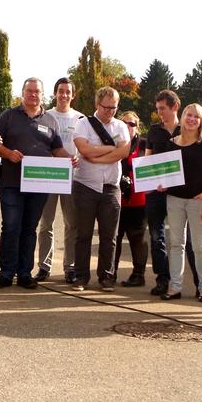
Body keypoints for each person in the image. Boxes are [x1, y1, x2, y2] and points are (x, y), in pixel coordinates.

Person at [0, 77, 74, 289]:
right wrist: (8, 153)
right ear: (23, 93)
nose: (33, 95)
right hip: (11, 183)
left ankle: (24, 273)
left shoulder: (50, 120)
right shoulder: (8, 116)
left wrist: (70, 159)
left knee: (29, 228)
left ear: (42, 94)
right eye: (29, 91)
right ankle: (6, 272)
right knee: (11, 227)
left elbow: (57, 149)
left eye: (37, 91)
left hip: (39, 184)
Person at [71, 87, 131, 292]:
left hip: (111, 187)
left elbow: (123, 152)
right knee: (83, 234)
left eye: (113, 108)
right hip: (85, 185)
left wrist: (97, 156)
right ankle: (80, 277)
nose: (109, 112)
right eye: (106, 107)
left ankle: (106, 276)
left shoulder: (121, 126)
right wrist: (109, 149)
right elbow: (84, 150)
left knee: (109, 236)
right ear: (97, 104)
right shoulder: (83, 124)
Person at [160, 103, 202, 302]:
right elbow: (166, 173)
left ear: (201, 121)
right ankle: (175, 287)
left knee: (200, 246)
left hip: (197, 202)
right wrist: (161, 184)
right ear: (183, 117)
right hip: (174, 199)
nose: (192, 119)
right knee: (176, 244)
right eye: (189, 115)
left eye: (197, 116)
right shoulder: (171, 142)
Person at [35, 77, 84, 283]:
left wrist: (78, 159)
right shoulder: (44, 117)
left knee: (72, 224)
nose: (64, 95)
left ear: (73, 95)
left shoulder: (81, 119)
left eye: (68, 91)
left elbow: (85, 147)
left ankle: (70, 267)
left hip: (72, 178)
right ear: (55, 93)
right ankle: (44, 267)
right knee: (46, 223)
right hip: (49, 176)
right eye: (60, 91)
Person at [143, 90, 181, 296]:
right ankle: (162, 279)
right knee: (157, 237)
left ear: (175, 107)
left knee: (181, 240)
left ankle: (195, 282)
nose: (160, 113)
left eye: (163, 109)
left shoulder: (187, 129)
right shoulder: (154, 131)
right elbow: (148, 160)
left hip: (179, 193)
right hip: (156, 192)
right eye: (157, 109)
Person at [115, 111, 148, 287]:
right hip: (116, 199)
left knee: (138, 239)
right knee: (114, 238)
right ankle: (109, 273)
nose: (128, 127)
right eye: (125, 123)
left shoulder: (144, 144)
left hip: (138, 200)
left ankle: (138, 274)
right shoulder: (113, 143)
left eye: (132, 124)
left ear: (138, 126)